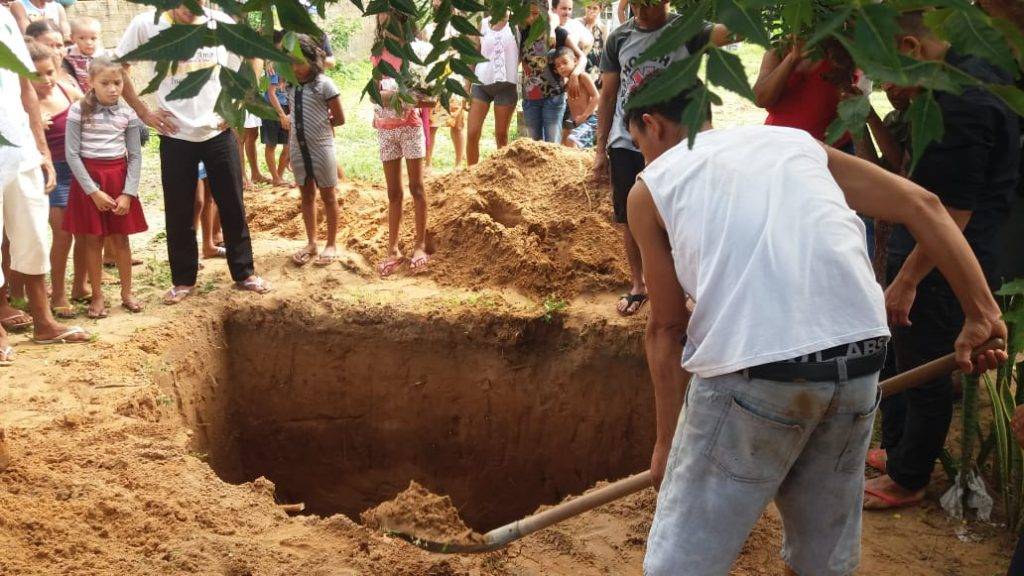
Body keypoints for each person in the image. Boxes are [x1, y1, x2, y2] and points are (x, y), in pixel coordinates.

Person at [623, 84, 1008, 576]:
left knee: (680, 564)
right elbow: (925, 205)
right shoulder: (792, 142)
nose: (643, 154)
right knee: (821, 562)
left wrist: (666, 444)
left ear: (652, 124)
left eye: (638, 141)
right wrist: (982, 313)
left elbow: (668, 327)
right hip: (861, 358)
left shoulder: (651, 185)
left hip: (756, 371)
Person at [864, 11, 1021, 510]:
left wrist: (908, 278)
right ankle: (898, 449)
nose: (887, 85)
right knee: (903, 351)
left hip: (944, 265)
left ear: (910, 48)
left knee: (927, 367)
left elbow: (951, 212)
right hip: (933, 254)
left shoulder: (962, 99)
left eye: (886, 68)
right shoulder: (966, 73)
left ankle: (909, 478)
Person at [115, 0, 271, 304]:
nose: (191, 9)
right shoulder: (146, 25)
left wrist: (240, 99)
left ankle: (245, 273)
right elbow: (118, 67)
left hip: (219, 131)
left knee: (232, 204)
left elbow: (254, 57)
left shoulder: (222, 21)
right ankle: (183, 280)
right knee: (179, 210)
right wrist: (144, 111)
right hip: (175, 134)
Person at [594, 0, 729, 316]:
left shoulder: (688, 29)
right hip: (628, 139)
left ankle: (687, 286)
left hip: (676, 142)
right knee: (629, 214)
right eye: (636, 4)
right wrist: (601, 149)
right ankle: (638, 284)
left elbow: (728, 34)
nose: (640, 10)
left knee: (684, 210)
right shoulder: (619, 38)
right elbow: (609, 95)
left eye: (649, 4)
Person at [0, 4, 90, 356]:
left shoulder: (7, 19)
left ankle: (44, 322)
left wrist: (41, 149)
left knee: (33, 234)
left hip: (21, 149)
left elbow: (25, 88)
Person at [63, 56, 146, 318]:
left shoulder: (128, 113)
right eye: (105, 83)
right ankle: (97, 296)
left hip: (118, 178)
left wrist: (128, 193)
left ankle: (127, 293)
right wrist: (93, 191)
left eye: (117, 83)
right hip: (89, 180)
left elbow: (134, 155)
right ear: (91, 83)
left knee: (121, 239)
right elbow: (72, 154)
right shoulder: (78, 110)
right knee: (92, 239)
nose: (112, 88)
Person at [28, 40, 86, 319]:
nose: (46, 80)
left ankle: (80, 286)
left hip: (81, 169)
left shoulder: (66, 90)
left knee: (87, 232)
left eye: (50, 71)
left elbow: (91, 108)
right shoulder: (24, 104)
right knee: (63, 235)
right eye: (37, 75)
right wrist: (33, 123)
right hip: (52, 174)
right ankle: (59, 293)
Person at [372, 11, 432, 277]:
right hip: (385, 129)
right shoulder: (377, 52)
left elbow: (428, 98)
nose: (382, 14)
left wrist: (395, 96)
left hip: (410, 126)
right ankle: (392, 249)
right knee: (393, 192)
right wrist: (397, 95)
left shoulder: (415, 51)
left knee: (417, 187)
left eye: (387, 8)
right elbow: (376, 92)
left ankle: (420, 245)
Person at [288, 34, 344, 268]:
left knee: (329, 196)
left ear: (312, 61)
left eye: (299, 62)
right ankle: (311, 242)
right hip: (297, 149)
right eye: (290, 62)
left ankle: (331, 244)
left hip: (321, 148)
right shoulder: (291, 85)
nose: (295, 68)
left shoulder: (325, 85)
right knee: (307, 196)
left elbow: (339, 118)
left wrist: (321, 125)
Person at [520, 0, 586, 143]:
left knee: (552, 146)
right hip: (530, 98)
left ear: (545, 13)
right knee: (534, 146)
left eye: (536, 14)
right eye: (528, 14)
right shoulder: (522, 32)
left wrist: (574, 74)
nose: (532, 18)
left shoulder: (558, 33)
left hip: (553, 97)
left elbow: (582, 57)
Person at [466, 15, 518, 166]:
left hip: (506, 86)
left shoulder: (518, 23)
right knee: (472, 133)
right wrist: (466, 85)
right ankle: (471, 174)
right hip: (481, 83)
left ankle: (500, 176)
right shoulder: (483, 24)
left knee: (501, 136)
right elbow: (474, 54)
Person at [262, 31, 293, 188]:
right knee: (271, 144)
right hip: (272, 109)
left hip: (286, 107)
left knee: (288, 145)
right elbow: (271, 93)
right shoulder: (273, 65)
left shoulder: (289, 62)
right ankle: (275, 177)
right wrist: (281, 114)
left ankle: (279, 177)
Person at [553, 47, 598, 149]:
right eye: (558, 66)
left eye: (565, 62)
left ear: (575, 61)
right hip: (577, 123)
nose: (562, 67)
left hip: (590, 120)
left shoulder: (583, 77)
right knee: (572, 146)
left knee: (571, 140)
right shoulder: (567, 83)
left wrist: (584, 116)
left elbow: (596, 97)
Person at [63, 16, 102, 91]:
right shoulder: (69, 52)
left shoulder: (104, 56)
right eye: (82, 38)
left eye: (93, 38)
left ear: (99, 37)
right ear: (72, 38)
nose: (88, 42)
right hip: (78, 91)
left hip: (99, 92)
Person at [578, 0, 607, 82]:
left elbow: (606, 51)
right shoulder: (578, 23)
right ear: (584, 7)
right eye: (588, 7)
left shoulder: (602, 28)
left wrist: (603, 71)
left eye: (595, 8)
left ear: (600, 10)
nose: (591, 11)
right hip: (581, 65)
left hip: (597, 68)